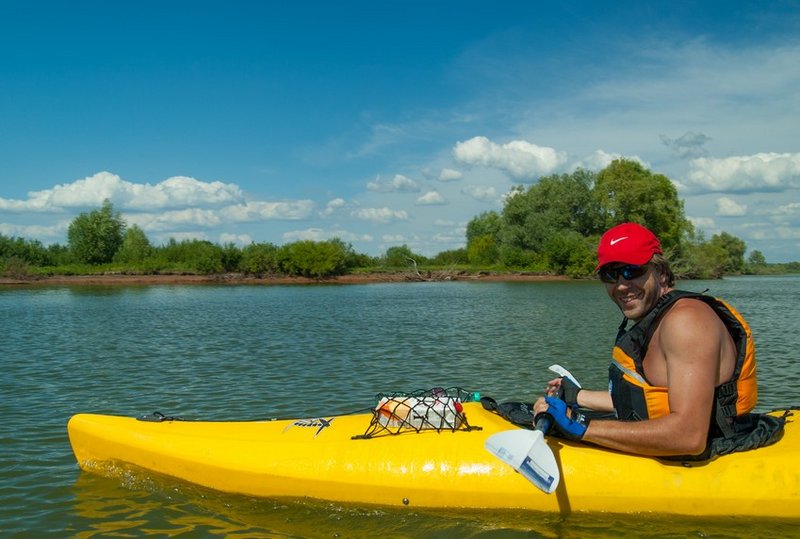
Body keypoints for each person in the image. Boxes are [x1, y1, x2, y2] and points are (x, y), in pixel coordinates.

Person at [533, 222, 783, 459]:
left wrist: (580, 425)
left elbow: (689, 436)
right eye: (611, 274)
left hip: (711, 451)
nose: (621, 285)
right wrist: (578, 397)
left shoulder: (686, 321)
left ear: (661, 273)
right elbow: (651, 400)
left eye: (632, 271)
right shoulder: (657, 318)